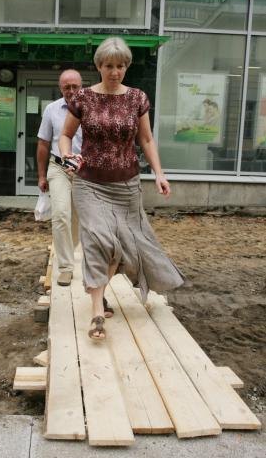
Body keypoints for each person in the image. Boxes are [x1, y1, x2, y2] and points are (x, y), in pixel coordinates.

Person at [58, 37, 184, 340]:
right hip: (89, 183)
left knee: (123, 245)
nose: (115, 71)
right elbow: (65, 135)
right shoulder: (83, 98)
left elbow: (147, 140)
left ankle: (98, 292)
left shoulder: (137, 98)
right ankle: (97, 313)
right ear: (99, 66)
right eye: (109, 65)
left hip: (126, 184)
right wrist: (66, 155)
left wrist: (159, 174)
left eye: (121, 66)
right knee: (98, 239)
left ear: (126, 67)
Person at [37, 69, 83, 286]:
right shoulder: (51, 109)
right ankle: (66, 267)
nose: (71, 91)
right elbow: (43, 143)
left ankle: (69, 249)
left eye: (75, 86)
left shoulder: (91, 108)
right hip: (58, 168)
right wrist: (41, 176)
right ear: (60, 87)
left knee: (77, 219)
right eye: (67, 87)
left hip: (85, 171)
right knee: (61, 215)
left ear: (81, 86)